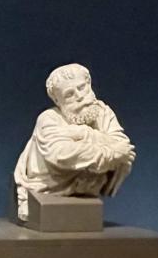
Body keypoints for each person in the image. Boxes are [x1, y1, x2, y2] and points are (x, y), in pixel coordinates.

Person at [14, 64, 134, 212]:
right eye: (69, 94)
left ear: (89, 84)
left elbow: (124, 148)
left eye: (82, 87)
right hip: (48, 188)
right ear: (58, 101)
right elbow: (62, 155)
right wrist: (108, 150)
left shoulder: (103, 112)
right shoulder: (49, 118)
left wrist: (83, 134)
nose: (79, 96)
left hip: (86, 188)